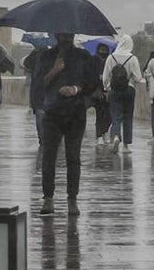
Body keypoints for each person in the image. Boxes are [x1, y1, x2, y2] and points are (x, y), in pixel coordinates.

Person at [33, 33, 99, 216]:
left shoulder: (83, 57)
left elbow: (92, 83)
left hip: (75, 113)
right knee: (48, 157)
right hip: (52, 113)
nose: (66, 39)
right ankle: (48, 198)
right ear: (56, 35)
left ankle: (72, 199)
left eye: (69, 35)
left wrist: (76, 89)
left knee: (73, 157)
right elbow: (38, 84)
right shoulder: (45, 57)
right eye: (62, 35)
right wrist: (54, 70)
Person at [103, 34, 143, 153]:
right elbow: (137, 78)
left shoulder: (111, 57)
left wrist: (107, 87)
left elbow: (105, 77)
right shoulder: (133, 58)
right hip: (129, 90)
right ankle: (126, 146)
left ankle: (115, 136)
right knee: (127, 117)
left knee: (116, 116)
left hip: (114, 90)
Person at [23, 46, 49, 144]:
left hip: (38, 89)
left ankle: (42, 138)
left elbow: (26, 64)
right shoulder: (38, 55)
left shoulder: (35, 55)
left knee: (40, 113)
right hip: (42, 89)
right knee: (41, 113)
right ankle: (44, 138)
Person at [89, 42, 112, 146]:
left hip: (108, 90)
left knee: (108, 115)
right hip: (97, 90)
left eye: (105, 50)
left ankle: (105, 132)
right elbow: (90, 74)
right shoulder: (93, 59)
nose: (103, 52)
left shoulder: (110, 60)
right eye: (101, 49)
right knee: (100, 114)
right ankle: (99, 135)